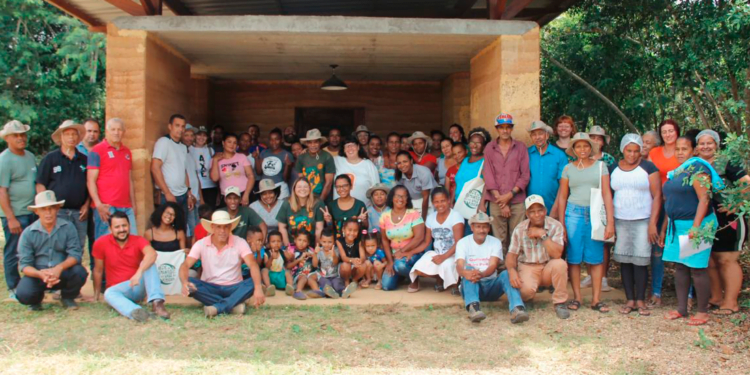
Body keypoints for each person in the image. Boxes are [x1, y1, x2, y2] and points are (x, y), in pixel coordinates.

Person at [662, 136, 723, 325]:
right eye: (677, 149)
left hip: (696, 224)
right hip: (677, 224)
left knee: (696, 268)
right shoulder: (678, 172)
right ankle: (682, 308)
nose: (680, 152)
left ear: (693, 151)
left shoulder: (698, 170)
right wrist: (665, 228)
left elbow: (704, 199)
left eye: (685, 149)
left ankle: (702, 312)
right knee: (680, 266)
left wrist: (696, 227)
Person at [558, 132, 615, 313]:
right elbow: (563, 196)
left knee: (595, 258)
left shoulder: (601, 166)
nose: (582, 149)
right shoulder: (568, 168)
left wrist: (610, 222)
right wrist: (561, 223)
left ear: (591, 148)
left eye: (585, 146)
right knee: (574, 258)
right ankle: (577, 297)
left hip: (595, 214)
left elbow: (606, 193)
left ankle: (596, 299)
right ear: (573, 149)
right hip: (573, 213)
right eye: (578, 146)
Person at [696, 130, 749, 316]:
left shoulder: (727, 162)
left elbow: (746, 183)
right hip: (708, 220)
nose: (705, 146)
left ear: (717, 144)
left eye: (709, 143)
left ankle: (731, 302)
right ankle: (716, 297)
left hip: (729, 220)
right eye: (701, 143)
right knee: (710, 260)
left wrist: (737, 204)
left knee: (727, 260)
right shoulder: (698, 165)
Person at [609, 135, 661, 316]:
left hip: (643, 220)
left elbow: (657, 197)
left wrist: (653, 223)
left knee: (640, 261)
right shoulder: (613, 168)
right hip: (620, 220)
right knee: (624, 260)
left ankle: (640, 299)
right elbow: (608, 196)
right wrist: (610, 223)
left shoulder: (648, 168)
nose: (632, 154)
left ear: (640, 151)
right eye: (628, 150)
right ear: (622, 149)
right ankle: (629, 299)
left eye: (636, 150)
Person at [179, 211, 266, 317]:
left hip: (234, 287)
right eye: (219, 227)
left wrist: (258, 288)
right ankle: (233, 306)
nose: (222, 231)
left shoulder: (240, 242)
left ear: (230, 227)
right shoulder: (201, 244)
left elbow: (252, 264)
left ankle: (217, 307)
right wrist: (184, 283)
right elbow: (185, 265)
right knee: (190, 283)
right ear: (212, 227)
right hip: (210, 287)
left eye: (225, 227)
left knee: (254, 282)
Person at [93, 211, 170, 321]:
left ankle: (157, 303)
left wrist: (138, 273)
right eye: (117, 227)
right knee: (109, 293)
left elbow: (152, 254)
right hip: (118, 290)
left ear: (129, 226)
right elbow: (98, 270)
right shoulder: (101, 243)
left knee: (150, 262)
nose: (121, 230)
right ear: (110, 229)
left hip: (137, 285)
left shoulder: (138, 240)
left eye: (124, 225)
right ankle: (136, 312)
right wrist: (96, 295)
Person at [15, 191, 87, 311]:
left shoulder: (68, 227)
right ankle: (36, 301)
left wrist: (59, 268)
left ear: (58, 209)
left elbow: (75, 254)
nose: (48, 213)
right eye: (43, 209)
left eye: (52, 208)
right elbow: (24, 265)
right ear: (36, 211)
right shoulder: (28, 233)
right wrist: (41, 274)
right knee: (24, 294)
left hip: (62, 273)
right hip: (38, 274)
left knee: (79, 272)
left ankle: (67, 297)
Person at [456, 212, 528, 324]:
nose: (481, 230)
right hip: (470, 285)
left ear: (489, 228)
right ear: (472, 227)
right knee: (469, 269)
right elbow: (459, 266)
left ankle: (517, 309)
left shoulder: (495, 242)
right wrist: (466, 273)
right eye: (478, 226)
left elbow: (493, 266)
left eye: (485, 226)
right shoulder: (463, 243)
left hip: (490, 285)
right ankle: (474, 309)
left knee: (506, 273)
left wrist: (482, 275)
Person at [506, 195, 569, 319]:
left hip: (548, 267)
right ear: (527, 214)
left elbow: (557, 254)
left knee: (560, 264)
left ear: (545, 211)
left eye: (540, 210)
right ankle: (529, 296)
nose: (537, 214)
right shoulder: (520, 229)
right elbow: (511, 255)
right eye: (532, 212)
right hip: (528, 267)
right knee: (524, 292)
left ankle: (560, 303)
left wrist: (542, 235)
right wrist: (511, 271)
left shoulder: (555, 225)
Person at [36, 120, 89, 249]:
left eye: (74, 134)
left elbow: (90, 184)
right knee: (57, 246)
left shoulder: (84, 159)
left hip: (79, 213)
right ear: (61, 137)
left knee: (78, 246)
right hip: (58, 211)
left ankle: (75, 269)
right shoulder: (50, 159)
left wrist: (86, 205)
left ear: (78, 137)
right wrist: (47, 207)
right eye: (67, 134)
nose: (71, 137)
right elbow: (40, 184)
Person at [483, 113, 530, 253]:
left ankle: (517, 268)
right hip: (496, 200)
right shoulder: (489, 148)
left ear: (512, 128)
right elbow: (488, 175)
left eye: (508, 127)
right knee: (498, 239)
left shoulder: (521, 147)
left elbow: (525, 175)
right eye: (501, 127)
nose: (505, 130)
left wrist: (509, 196)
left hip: (517, 200)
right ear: (496, 129)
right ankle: (502, 269)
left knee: (518, 237)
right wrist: (501, 201)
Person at [0, 120, 37, 297]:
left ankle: (33, 283)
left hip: (32, 212)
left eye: (23, 134)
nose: (21, 138)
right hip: (16, 214)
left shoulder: (29, 156)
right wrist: (10, 217)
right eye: (16, 135)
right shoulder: (4, 160)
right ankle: (13, 287)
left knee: (32, 248)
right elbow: (2, 190)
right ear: (7, 138)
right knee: (13, 250)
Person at [647, 119, 681, 308]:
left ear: (677, 132)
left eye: (671, 131)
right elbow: (651, 178)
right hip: (659, 203)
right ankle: (656, 292)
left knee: (683, 250)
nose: (668, 135)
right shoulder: (654, 153)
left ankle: (688, 294)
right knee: (657, 249)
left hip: (682, 205)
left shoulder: (684, 150)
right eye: (664, 132)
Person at [87, 118, 137, 240]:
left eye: (119, 129)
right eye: (113, 129)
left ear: (124, 132)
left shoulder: (127, 152)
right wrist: (98, 204)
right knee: (106, 244)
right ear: (107, 132)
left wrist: (133, 205)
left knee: (132, 241)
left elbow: (129, 180)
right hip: (106, 206)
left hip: (126, 206)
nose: (116, 132)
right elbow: (90, 181)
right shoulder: (97, 150)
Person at [409, 187, 463, 293]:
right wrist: (410, 252)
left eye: (443, 201)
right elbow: (426, 242)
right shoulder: (431, 217)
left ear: (448, 200)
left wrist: (443, 257)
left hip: (453, 254)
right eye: (436, 202)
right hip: (437, 253)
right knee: (418, 270)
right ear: (433, 203)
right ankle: (440, 278)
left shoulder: (456, 216)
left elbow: (459, 243)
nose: (440, 204)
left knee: (447, 264)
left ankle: (455, 283)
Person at [152, 114, 195, 238]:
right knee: (166, 229)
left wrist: (189, 193)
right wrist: (167, 192)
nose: (180, 129)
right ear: (170, 126)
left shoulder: (182, 147)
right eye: (177, 126)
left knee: (181, 228)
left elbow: (184, 171)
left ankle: (180, 255)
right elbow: (155, 168)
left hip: (182, 195)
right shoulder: (163, 142)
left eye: (182, 126)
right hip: (168, 195)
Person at [379, 185, 425, 291]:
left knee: (400, 266)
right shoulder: (384, 216)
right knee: (386, 286)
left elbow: (419, 237)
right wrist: (390, 261)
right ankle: (402, 275)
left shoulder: (413, 214)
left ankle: (415, 279)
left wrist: (402, 251)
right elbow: (385, 240)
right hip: (395, 256)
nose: (401, 199)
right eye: (398, 196)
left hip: (413, 253)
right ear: (392, 197)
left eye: (404, 196)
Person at [527, 121, 567, 218]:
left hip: (552, 205)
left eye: (540, 133)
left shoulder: (559, 155)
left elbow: (563, 185)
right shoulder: (526, 154)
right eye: (534, 135)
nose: (537, 137)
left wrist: (556, 207)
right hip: (531, 207)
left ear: (547, 135)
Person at [276, 178, 326, 246]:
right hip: (292, 245)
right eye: (299, 187)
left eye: (305, 187)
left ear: (310, 189)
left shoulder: (318, 203)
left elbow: (319, 228)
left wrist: (316, 249)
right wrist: (288, 247)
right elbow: (282, 227)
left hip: (311, 245)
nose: (302, 189)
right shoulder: (287, 203)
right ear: (294, 189)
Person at [210, 133, 255, 206]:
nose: (232, 145)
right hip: (227, 196)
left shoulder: (242, 157)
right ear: (223, 143)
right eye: (229, 142)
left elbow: (251, 176)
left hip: (243, 193)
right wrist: (215, 160)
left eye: (234, 143)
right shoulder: (216, 159)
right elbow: (215, 178)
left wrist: (246, 194)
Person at [312, 228, 356, 298]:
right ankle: (330, 293)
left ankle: (344, 292)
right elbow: (314, 265)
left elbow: (335, 263)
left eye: (330, 242)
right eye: (324, 242)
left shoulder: (335, 250)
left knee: (337, 284)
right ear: (320, 241)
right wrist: (315, 253)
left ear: (334, 242)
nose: (327, 244)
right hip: (324, 277)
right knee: (327, 284)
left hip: (335, 276)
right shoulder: (319, 251)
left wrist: (333, 255)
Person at [332, 137, 380, 202]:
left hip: (363, 209)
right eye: (347, 146)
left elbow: (376, 187)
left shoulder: (368, 164)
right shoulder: (336, 161)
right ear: (344, 150)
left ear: (358, 147)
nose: (350, 148)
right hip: (339, 209)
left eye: (353, 145)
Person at [395, 151, 437, 220]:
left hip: (430, 202)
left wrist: (423, 219)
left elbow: (426, 197)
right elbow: (402, 196)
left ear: (411, 161)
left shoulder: (424, 172)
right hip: (414, 203)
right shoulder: (398, 176)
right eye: (399, 163)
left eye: (405, 161)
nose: (402, 165)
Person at [253, 128, 293, 200]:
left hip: (280, 187)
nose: (274, 142)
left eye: (276, 139)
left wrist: (288, 165)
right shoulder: (264, 153)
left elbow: (286, 179)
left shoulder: (287, 154)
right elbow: (259, 172)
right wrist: (256, 158)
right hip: (265, 187)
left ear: (281, 140)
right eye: (271, 139)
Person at [296, 129, 335, 201]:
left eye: (316, 142)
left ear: (320, 142)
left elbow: (329, 183)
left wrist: (320, 201)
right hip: (305, 198)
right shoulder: (301, 157)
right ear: (306, 144)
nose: (313, 145)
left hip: (323, 198)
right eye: (310, 142)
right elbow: (300, 180)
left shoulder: (327, 157)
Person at [454, 128, 488, 206]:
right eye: (472, 142)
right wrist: (452, 201)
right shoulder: (465, 160)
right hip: (459, 204)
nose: (474, 145)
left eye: (478, 143)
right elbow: (457, 182)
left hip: (474, 206)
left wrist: (482, 204)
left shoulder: (485, 161)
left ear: (484, 146)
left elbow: (488, 185)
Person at [181, 125, 203, 241]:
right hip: (188, 197)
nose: (189, 138)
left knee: (197, 227)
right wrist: (189, 195)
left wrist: (200, 197)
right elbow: (182, 174)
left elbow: (195, 176)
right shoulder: (179, 152)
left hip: (195, 197)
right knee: (190, 228)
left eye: (191, 135)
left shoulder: (190, 153)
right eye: (186, 135)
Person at [333, 218, 368, 287]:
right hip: (343, 266)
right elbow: (343, 257)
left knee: (363, 265)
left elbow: (363, 257)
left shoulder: (359, 241)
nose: (352, 233)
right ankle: (346, 281)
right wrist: (352, 260)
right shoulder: (339, 241)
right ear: (343, 229)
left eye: (355, 231)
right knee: (346, 265)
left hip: (354, 266)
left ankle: (354, 280)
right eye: (349, 230)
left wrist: (359, 261)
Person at [286, 230, 319, 300]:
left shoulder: (311, 250)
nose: (301, 243)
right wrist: (299, 260)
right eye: (299, 240)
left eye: (304, 241)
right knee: (303, 277)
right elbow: (288, 266)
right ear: (295, 240)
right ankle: (298, 291)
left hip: (310, 274)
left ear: (308, 243)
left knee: (313, 277)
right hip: (298, 274)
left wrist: (314, 255)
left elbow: (315, 265)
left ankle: (316, 291)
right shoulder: (291, 250)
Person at [190, 126, 218, 209]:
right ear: (194, 136)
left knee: (210, 211)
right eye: (199, 135)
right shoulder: (189, 150)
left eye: (204, 135)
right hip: (196, 187)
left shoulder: (210, 150)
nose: (201, 138)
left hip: (210, 186)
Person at [264, 230, 293, 294]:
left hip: (280, 276)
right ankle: (269, 287)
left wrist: (290, 257)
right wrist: (271, 258)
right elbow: (267, 266)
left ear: (282, 243)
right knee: (264, 271)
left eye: (278, 241)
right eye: (273, 241)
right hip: (271, 275)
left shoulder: (283, 252)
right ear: (269, 243)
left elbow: (288, 263)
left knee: (288, 272)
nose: (276, 243)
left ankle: (290, 287)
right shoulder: (267, 253)